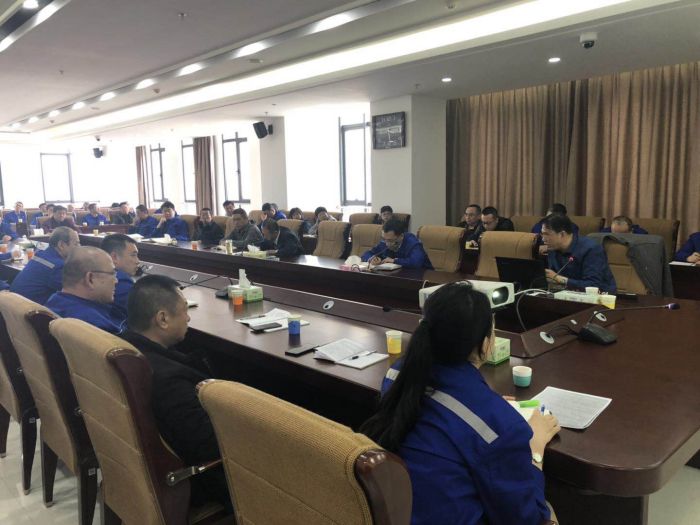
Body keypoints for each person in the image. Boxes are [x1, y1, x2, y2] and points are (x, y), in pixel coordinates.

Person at [361, 282, 560, 525]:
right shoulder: (499, 425)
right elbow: (526, 518)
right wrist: (536, 449)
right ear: (485, 344)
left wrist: (491, 408)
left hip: (399, 509)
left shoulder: (398, 374)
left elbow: (445, 407)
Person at [119, 275, 232, 511]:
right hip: (199, 480)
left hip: (134, 469)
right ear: (163, 319)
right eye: (184, 310)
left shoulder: (124, 349)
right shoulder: (168, 379)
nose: (188, 318)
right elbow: (210, 445)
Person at [45, 247, 121, 334]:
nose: (116, 281)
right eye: (112, 274)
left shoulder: (54, 301)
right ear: (90, 279)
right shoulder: (97, 327)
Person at [542, 214, 616, 293]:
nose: (543, 239)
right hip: (565, 294)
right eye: (542, 234)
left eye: (546, 234)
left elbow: (593, 285)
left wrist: (559, 279)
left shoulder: (591, 249)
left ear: (562, 234)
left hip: (599, 297)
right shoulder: (553, 248)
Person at [10, 227, 80, 304]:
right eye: (76, 244)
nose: (79, 247)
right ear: (61, 245)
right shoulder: (57, 266)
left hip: (13, 303)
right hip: (29, 308)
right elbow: (76, 292)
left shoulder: (40, 254)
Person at [361, 219, 433, 269]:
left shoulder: (413, 243)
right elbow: (366, 254)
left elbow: (416, 263)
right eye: (384, 239)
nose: (386, 244)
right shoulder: (385, 241)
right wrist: (372, 259)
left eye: (390, 240)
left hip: (421, 279)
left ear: (401, 236)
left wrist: (394, 261)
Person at [101, 234, 139, 325]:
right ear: (114, 257)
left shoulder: (98, 274)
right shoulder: (122, 281)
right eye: (133, 255)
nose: (138, 261)